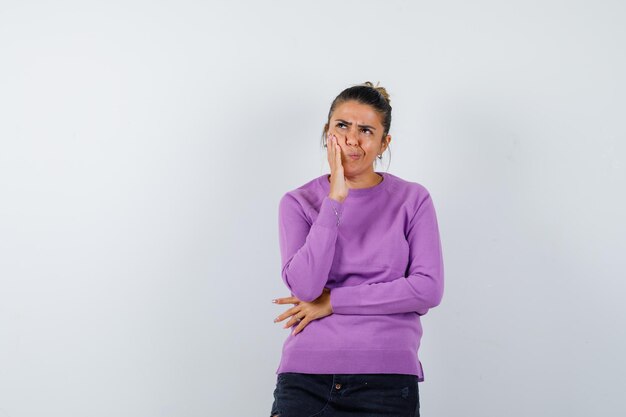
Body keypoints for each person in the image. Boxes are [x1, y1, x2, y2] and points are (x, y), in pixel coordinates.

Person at [269, 81, 444, 417]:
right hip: (306, 378)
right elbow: (305, 287)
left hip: (386, 381)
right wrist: (334, 199)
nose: (351, 139)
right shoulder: (298, 202)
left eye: (366, 130)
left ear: (383, 143)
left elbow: (427, 289)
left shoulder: (413, 200)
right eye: (342, 126)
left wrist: (333, 301)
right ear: (327, 132)